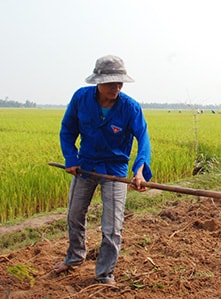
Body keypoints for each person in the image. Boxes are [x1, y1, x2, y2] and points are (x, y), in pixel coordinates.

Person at [54, 55, 152, 284]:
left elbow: (143, 140)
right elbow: (67, 130)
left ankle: (104, 273)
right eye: (111, 83)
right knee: (74, 215)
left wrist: (139, 171)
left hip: (115, 170)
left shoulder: (130, 108)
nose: (116, 88)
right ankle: (75, 256)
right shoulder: (81, 98)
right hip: (85, 166)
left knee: (112, 226)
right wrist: (71, 158)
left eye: (120, 83)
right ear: (97, 81)